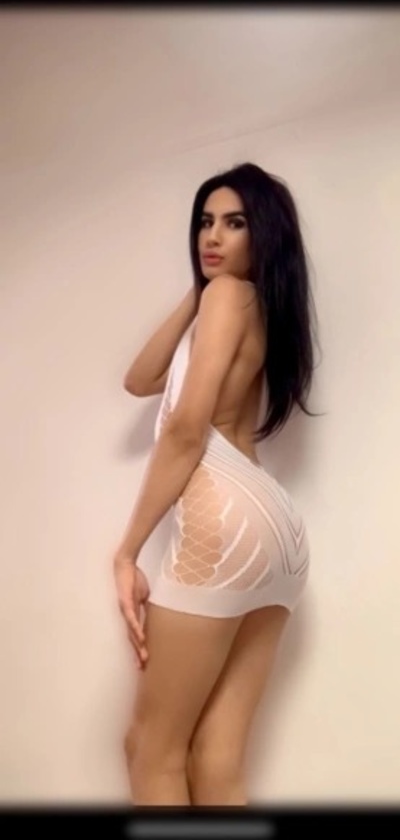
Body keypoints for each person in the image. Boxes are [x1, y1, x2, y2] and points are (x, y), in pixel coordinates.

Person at [113, 162, 322, 806]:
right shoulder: (246, 304)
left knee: (151, 749)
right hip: (278, 536)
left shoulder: (228, 298)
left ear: (265, 234)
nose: (213, 236)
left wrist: (127, 551)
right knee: (217, 758)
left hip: (223, 520)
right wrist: (197, 289)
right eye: (206, 222)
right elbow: (139, 380)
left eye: (235, 223)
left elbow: (184, 429)